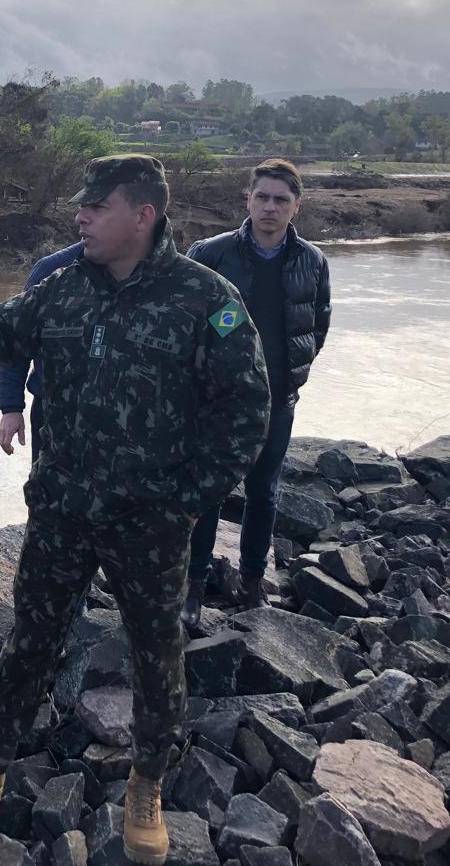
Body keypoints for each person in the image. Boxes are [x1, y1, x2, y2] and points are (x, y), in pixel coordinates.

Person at [0, 154, 271, 865]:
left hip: (150, 521)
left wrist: (188, 499)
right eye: (80, 204)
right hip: (62, 513)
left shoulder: (206, 299)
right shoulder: (61, 287)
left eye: (95, 206)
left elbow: (248, 407)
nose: (79, 216)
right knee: (30, 644)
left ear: (142, 215)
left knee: (156, 648)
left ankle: (147, 782)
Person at [181, 159, 331, 626]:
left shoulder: (312, 260)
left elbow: (317, 326)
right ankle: (191, 591)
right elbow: (181, 320)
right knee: (206, 494)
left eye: (280, 200)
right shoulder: (211, 253)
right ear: (247, 199)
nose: (270, 207)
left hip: (276, 401)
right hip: (215, 402)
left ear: (296, 207)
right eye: (262, 197)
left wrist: (291, 377)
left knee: (263, 494)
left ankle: (252, 585)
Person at [0, 242, 82, 461]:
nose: (82, 218)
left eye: (98, 209)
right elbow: (16, 339)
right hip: (53, 413)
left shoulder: (171, 276)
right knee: (47, 492)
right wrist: (11, 407)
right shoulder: (52, 270)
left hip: (132, 419)